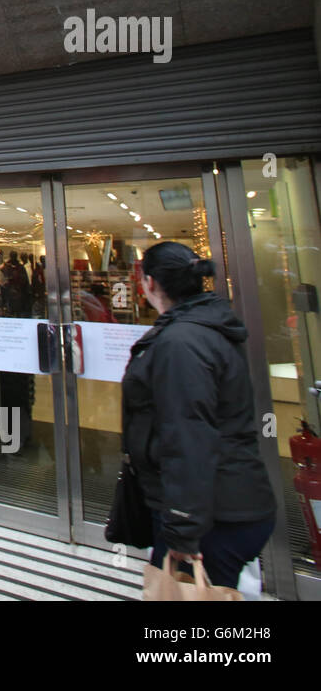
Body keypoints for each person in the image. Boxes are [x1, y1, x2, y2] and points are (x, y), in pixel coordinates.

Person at [122, 241, 277, 588]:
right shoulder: (210, 326)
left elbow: (187, 437)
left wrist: (182, 528)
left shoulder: (181, 343)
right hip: (229, 501)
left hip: (212, 514)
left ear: (149, 283)